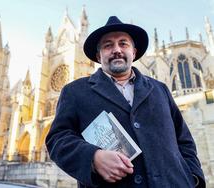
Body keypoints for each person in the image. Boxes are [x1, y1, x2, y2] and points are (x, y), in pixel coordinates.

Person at [46, 16, 205, 188]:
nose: (116, 50)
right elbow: (57, 139)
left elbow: (184, 140)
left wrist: (193, 178)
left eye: (123, 44)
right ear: (98, 56)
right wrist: (92, 158)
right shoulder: (75, 92)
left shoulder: (160, 89)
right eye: (108, 45)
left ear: (134, 52)